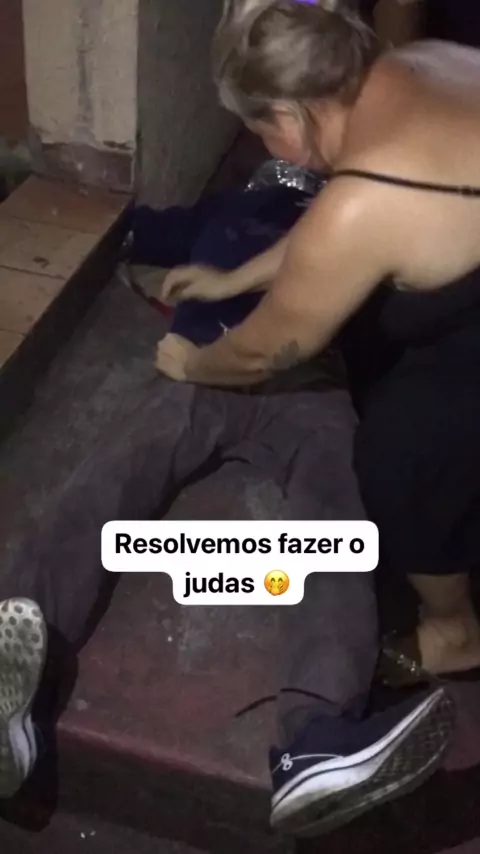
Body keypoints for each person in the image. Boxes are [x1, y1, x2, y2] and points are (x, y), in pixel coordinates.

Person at [0, 179, 453, 835]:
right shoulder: (228, 209)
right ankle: (12, 670)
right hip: (204, 365)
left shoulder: (357, 221)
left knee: (336, 522)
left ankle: (317, 740)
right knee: (109, 478)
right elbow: (134, 223)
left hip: (307, 383)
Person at [156, 2, 480, 683]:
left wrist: (194, 364)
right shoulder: (410, 65)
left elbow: (267, 349)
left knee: (401, 460)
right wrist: (234, 278)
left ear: (288, 114)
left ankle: (455, 631)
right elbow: (339, 230)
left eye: (261, 134)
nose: (266, 152)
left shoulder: (368, 194)